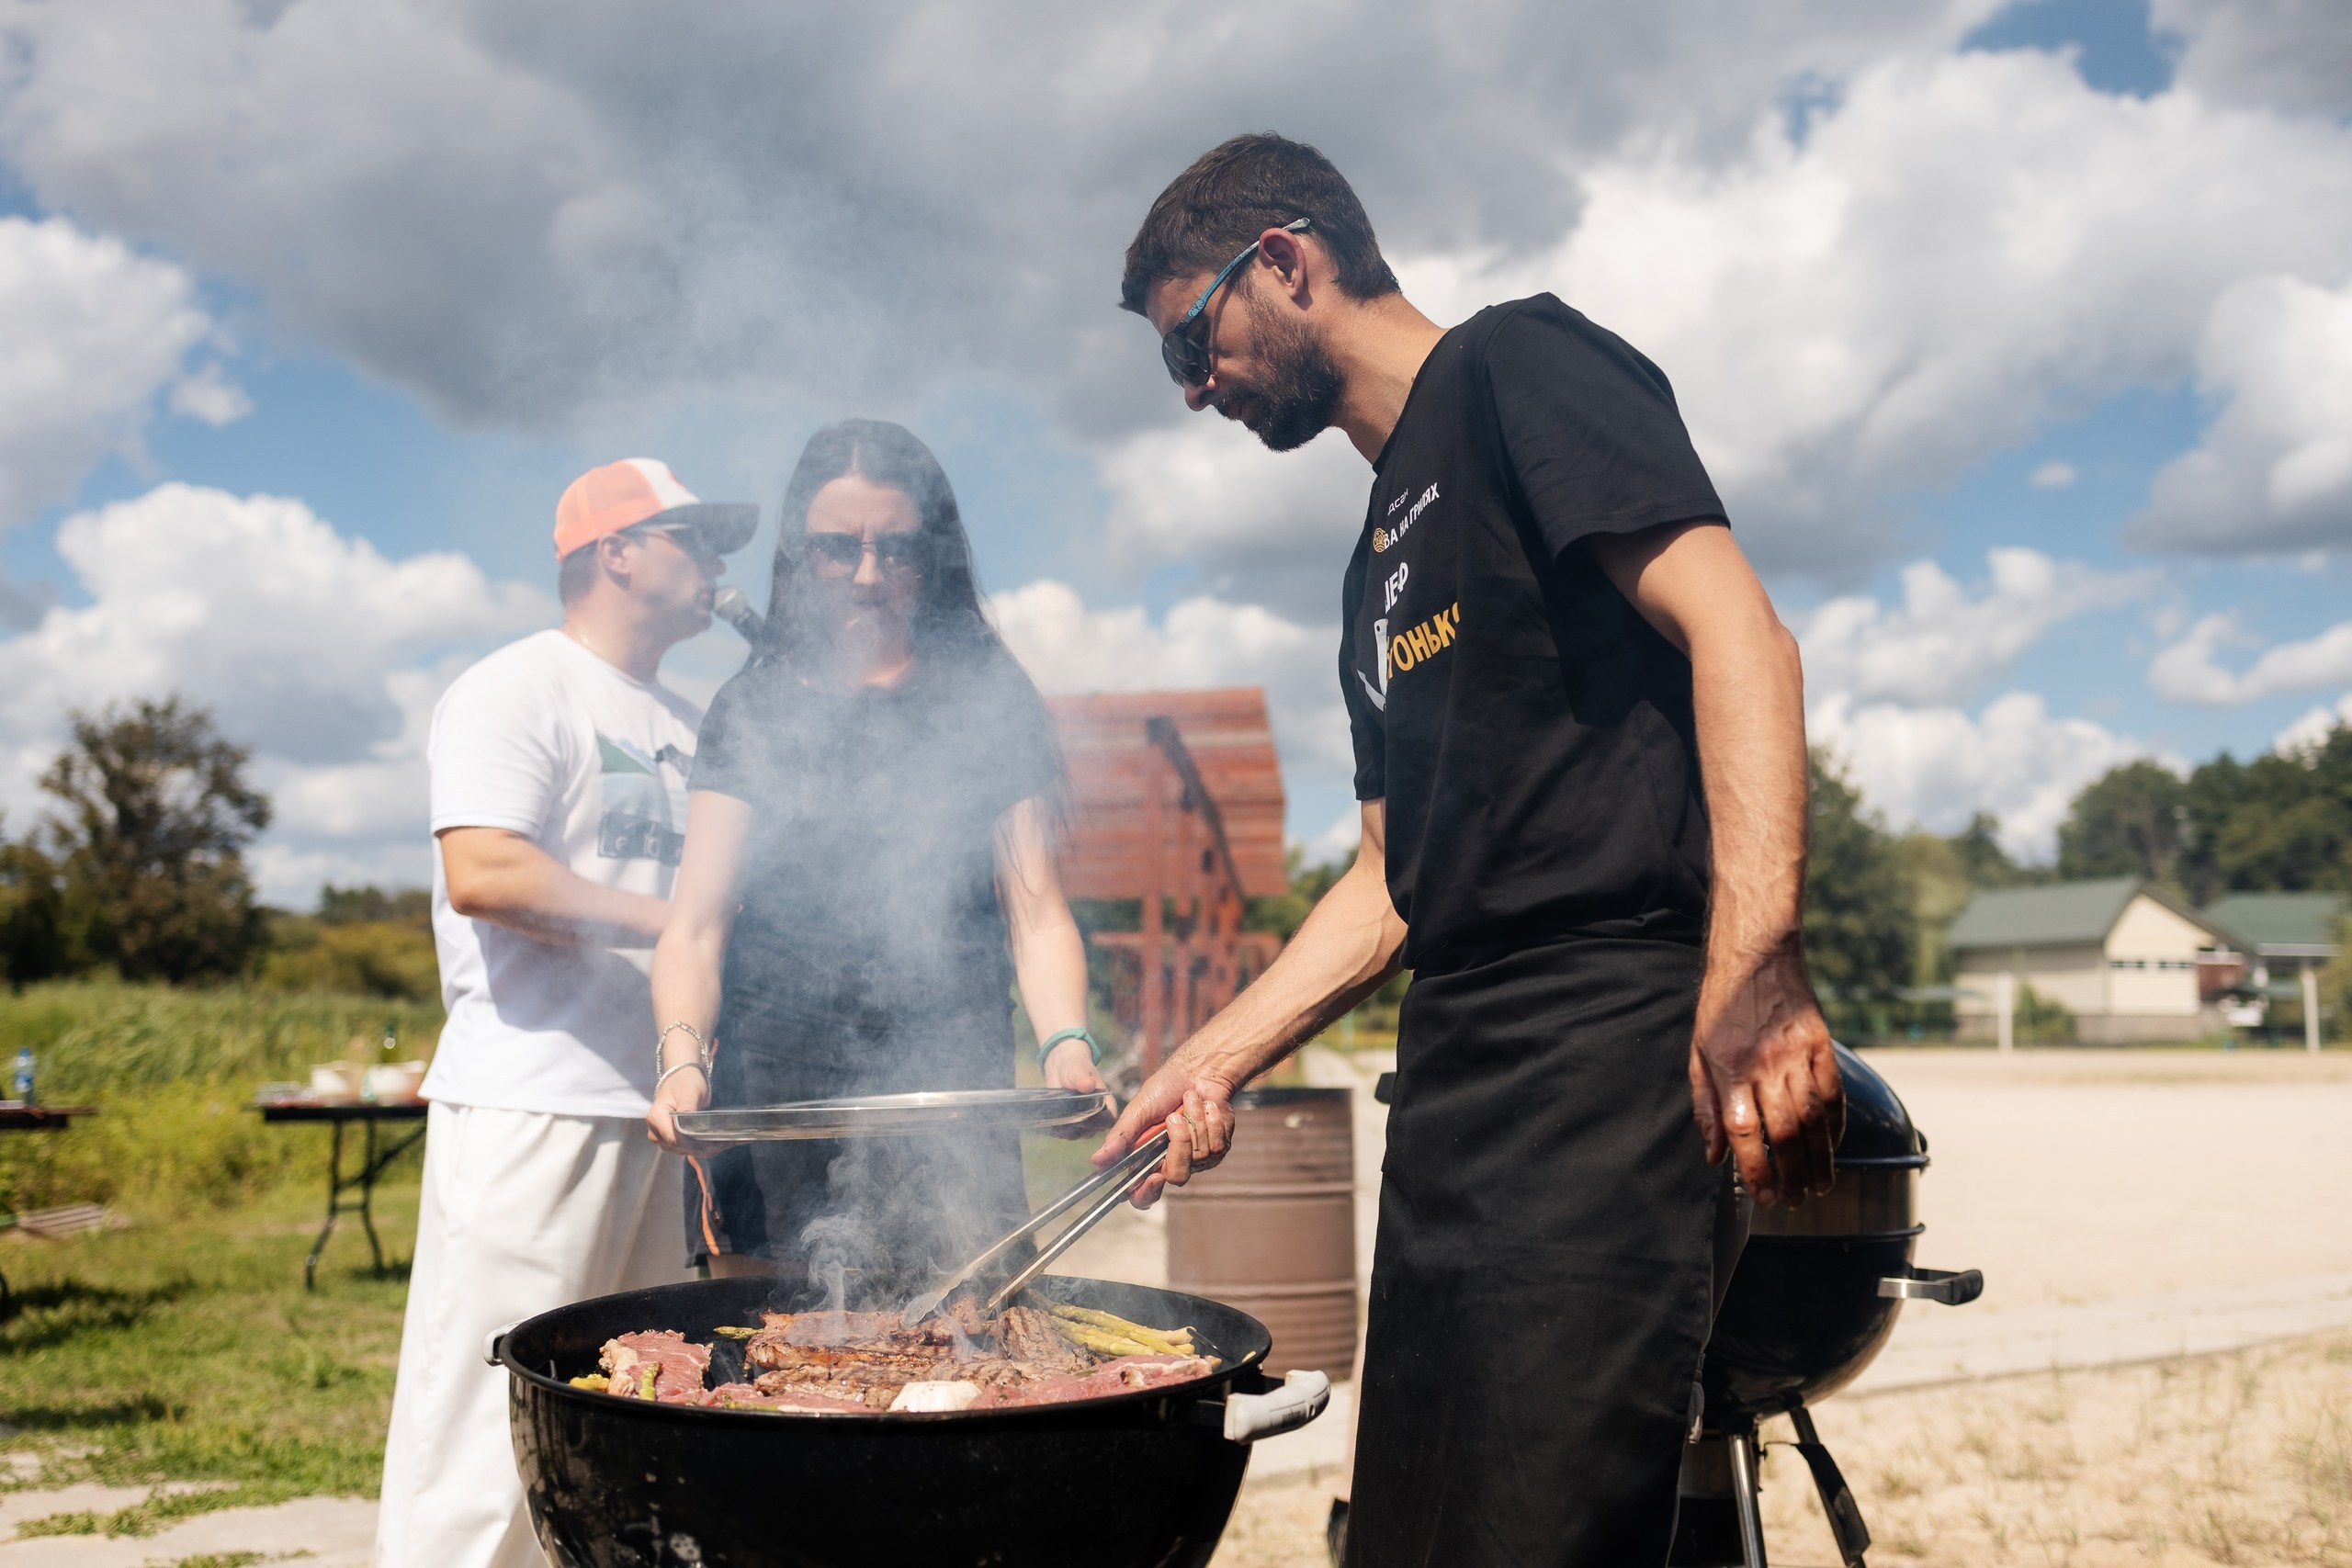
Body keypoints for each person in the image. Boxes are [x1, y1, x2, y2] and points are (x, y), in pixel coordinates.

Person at [1094, 135, 1846, 1564]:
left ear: (1288, 262)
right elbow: (1391, 878)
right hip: (1453, 1086)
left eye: (1195, 339)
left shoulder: (1519, 369)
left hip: (1604, 1052)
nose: (1193, 390)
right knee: (1416, 1529)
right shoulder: (1371, 563)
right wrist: (1209, 1059)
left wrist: (1755, 966)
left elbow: (1741, 632)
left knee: (1536, 1527)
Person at [378, 457, 755, 1568]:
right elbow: (486, 872)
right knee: (482, 1429)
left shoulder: (688, 718)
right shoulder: (515, 687)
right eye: (697, 537)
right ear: (617, 552)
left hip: (653, 1111)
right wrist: (672, 923)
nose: (720, 566)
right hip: (532, 1106)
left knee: (617, 1406)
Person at [644, 419, 1103, 1292]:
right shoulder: (751, 708)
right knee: (773, 1373)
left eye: (895, 548)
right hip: (771, 1098)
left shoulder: (989, 699)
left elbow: (1036, 909)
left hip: (949, 1086)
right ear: (797, 555)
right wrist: (680, 1061)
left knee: (962, 1359)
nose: (867, 574)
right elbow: (696, 926)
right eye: (835, 549)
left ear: (930, 556)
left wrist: (1066, 1045)